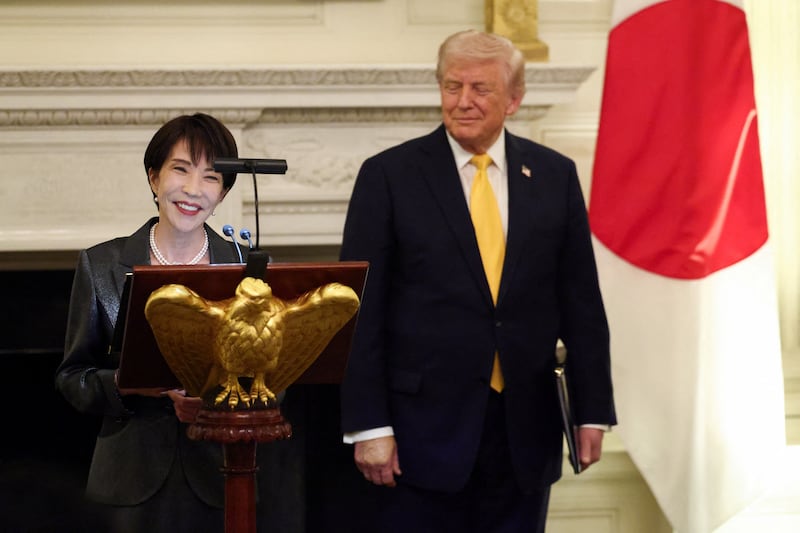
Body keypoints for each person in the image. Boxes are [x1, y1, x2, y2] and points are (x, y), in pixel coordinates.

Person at [339, 30, 617, 532]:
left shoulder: (554, 175)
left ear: (514, 99)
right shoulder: (389, 176)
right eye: (452, 86)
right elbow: (360, 311)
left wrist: (591, 411)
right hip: (419, 434)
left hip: (525, 430)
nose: (463, 101)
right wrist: (368, 425)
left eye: (480, 89)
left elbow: (581, 304)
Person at [55, 113, 302, 533]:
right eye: (181, 170)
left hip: (225, 474)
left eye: (210, 177)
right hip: (127, 483)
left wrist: (215, 401)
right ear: (154, 178)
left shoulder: (247, 268)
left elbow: (276, 382)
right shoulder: (101, 264)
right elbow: (72, 378)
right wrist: (128, 384)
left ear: (223, 193)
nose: (192, 189)